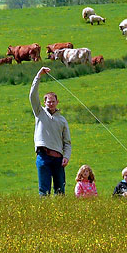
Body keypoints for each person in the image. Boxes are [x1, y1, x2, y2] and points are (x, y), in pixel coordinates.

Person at [30, 67, 72, 195]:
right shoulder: (39, 112)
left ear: (57, 102)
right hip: (43, 156)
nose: (51, 104)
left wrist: (66, 157)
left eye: (53, 101)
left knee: (60, 190)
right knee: (44, 190)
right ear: (45, 102)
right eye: (49, 102)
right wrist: (38, 76)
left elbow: (67, 142)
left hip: (58, 159)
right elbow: (32, 95)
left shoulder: (62, 120)